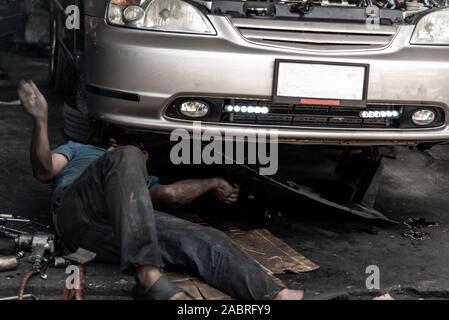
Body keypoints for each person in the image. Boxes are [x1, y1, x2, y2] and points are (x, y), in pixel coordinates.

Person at [17, 80, 304, 300]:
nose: (142, 153)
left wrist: (214, 182)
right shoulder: (83, 151)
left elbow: (170, 195)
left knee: (204, 237)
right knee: (126, 158)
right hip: (76, 216)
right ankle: (147, 276)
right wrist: (40, 120)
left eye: (143, 151)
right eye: (136, 146)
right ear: (112, 141)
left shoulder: (140, 180)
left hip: (115, 234)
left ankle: (272, 295)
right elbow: (44, 171)